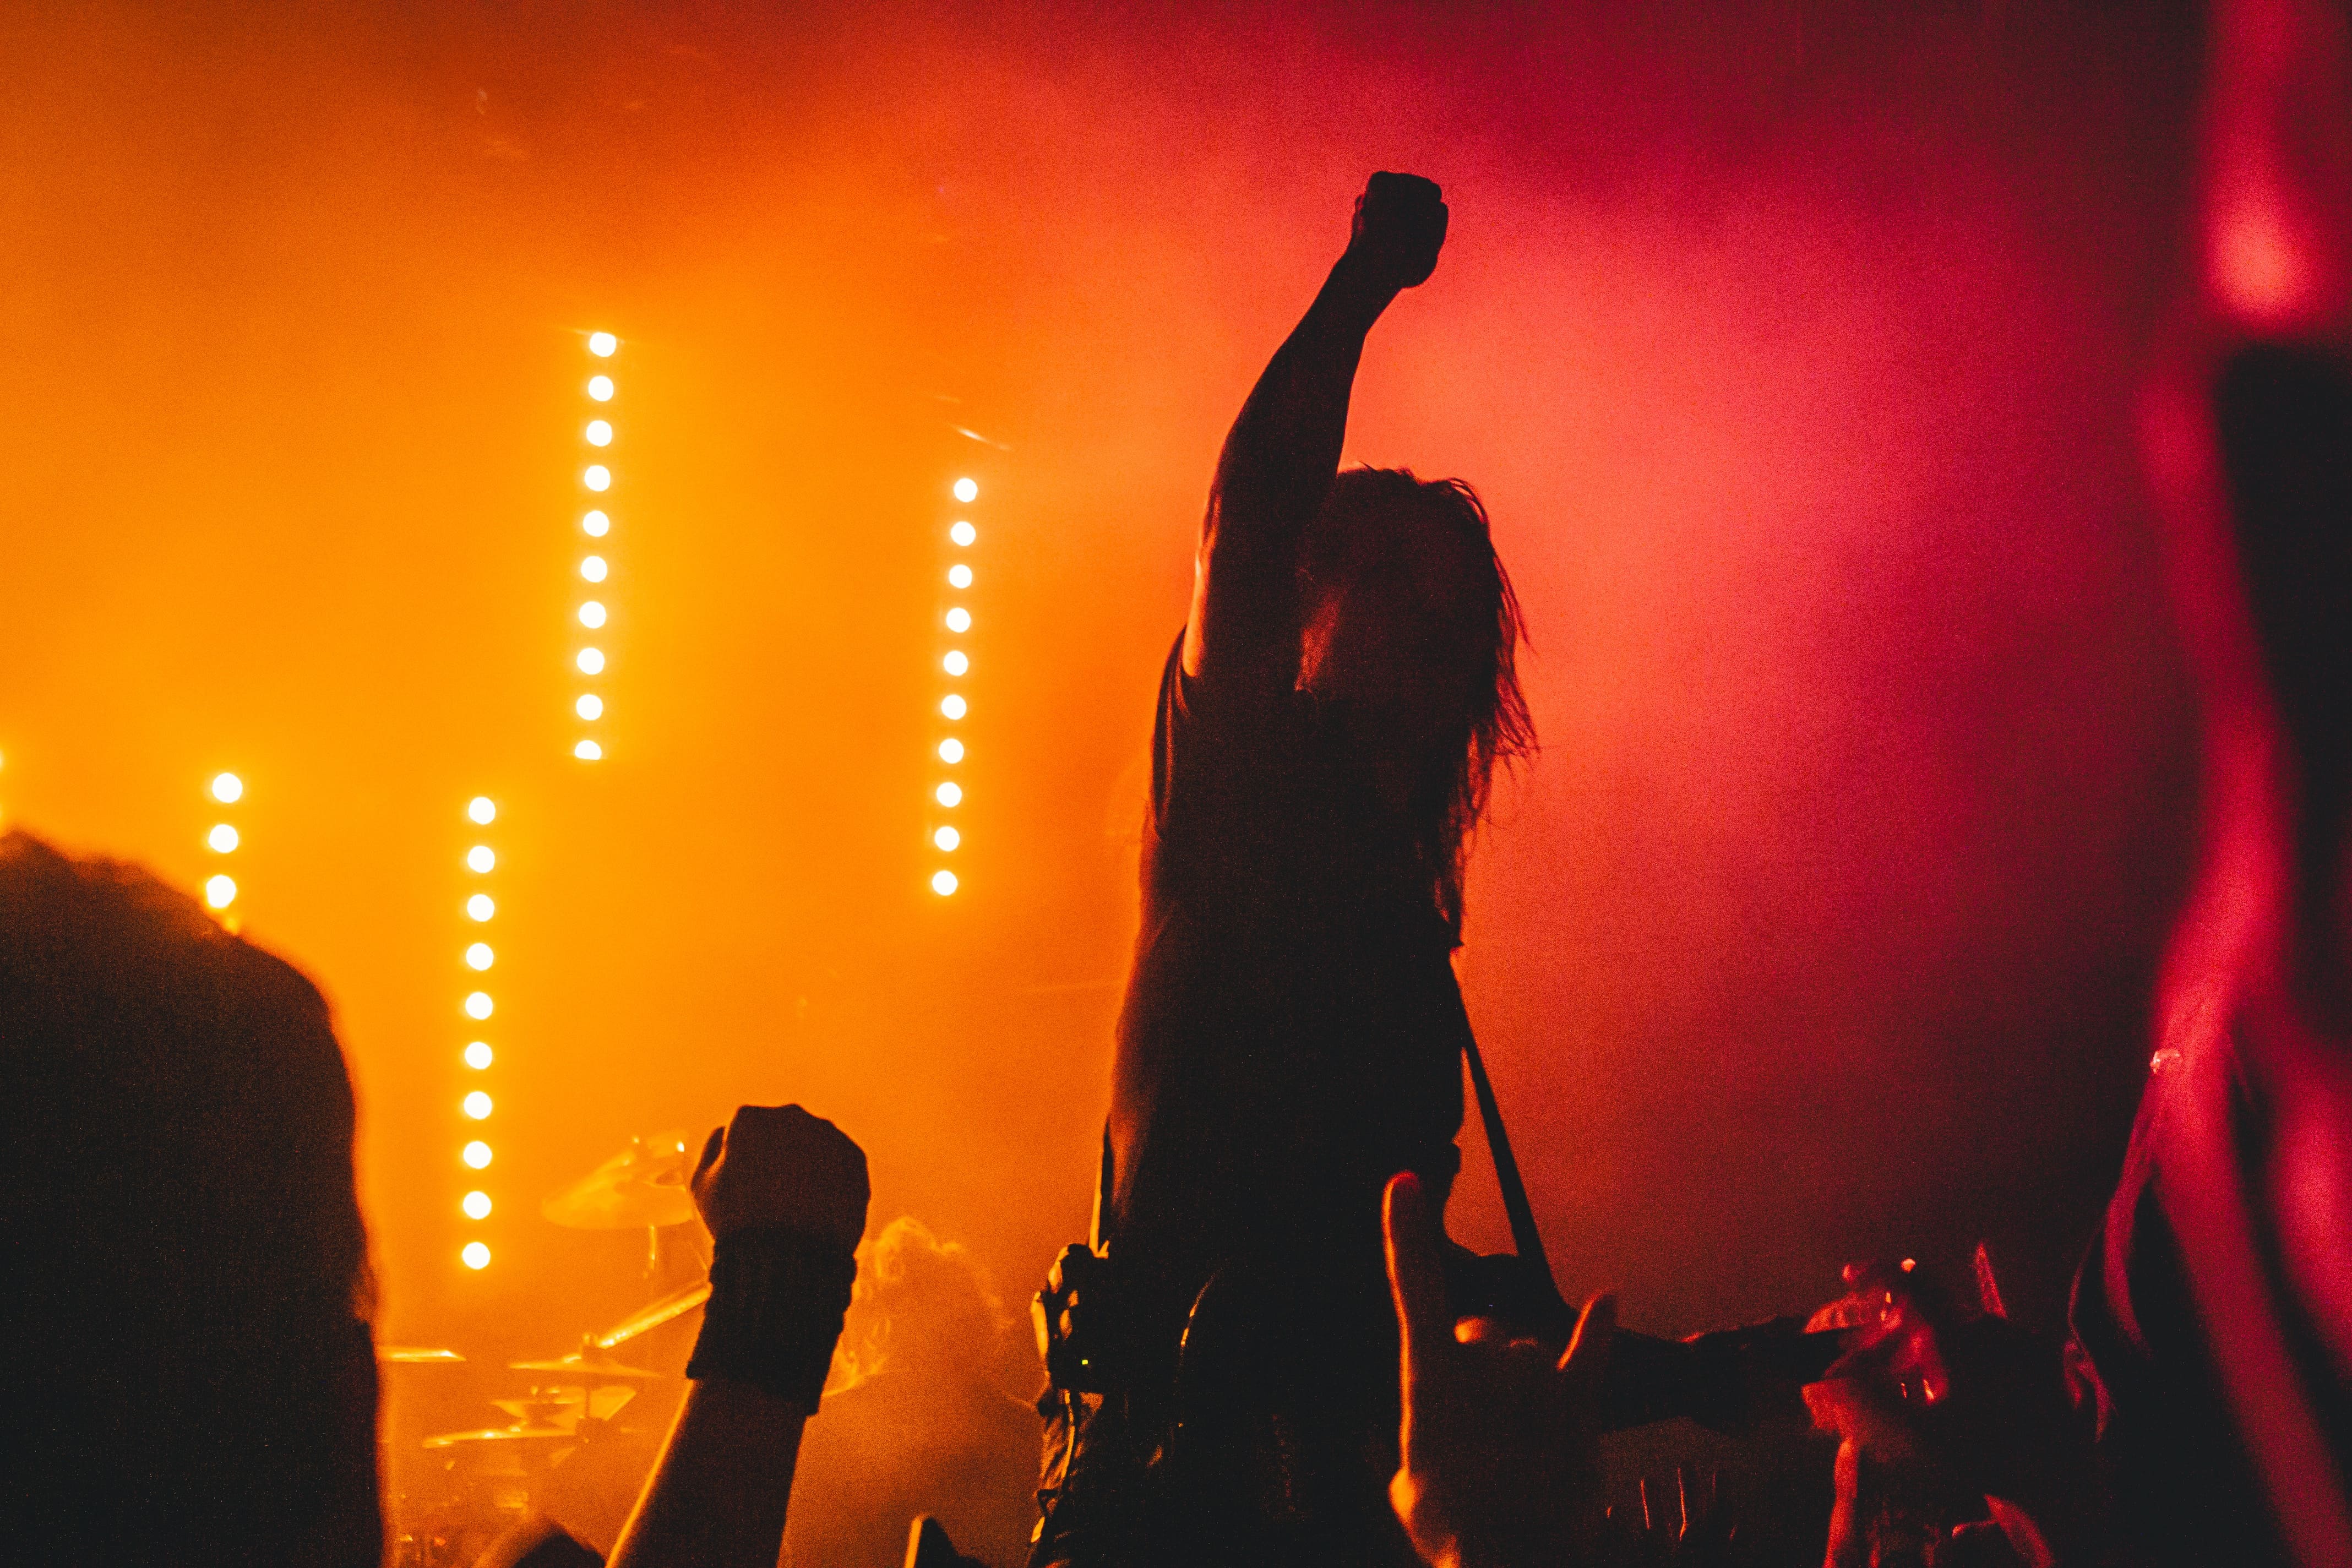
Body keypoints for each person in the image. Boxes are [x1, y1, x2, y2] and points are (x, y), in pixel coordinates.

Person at [1033, 170, 1534, 1568]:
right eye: (1388, 582)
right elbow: (1244, 519)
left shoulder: (1404, 920)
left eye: (1452, 610)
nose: (1429, 627)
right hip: (1171, 1508)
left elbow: (1382, 1281)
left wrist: (1751, 1371)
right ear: (1304, 611)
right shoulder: (1242, 785)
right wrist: (1363, 287)